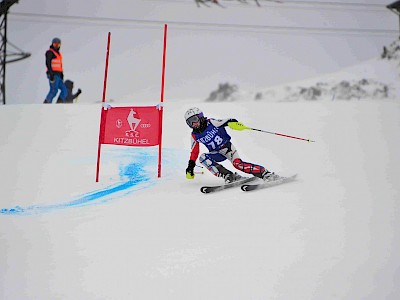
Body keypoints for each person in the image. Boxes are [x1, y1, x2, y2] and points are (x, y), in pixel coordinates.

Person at [184, 107, 278, 183]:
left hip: (227, 148)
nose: (193, 124)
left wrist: (234, 123)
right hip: (217, 153)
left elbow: (228, 121)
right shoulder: (194, 135)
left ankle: (265, 173)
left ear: (200, 117)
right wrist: (190, 166)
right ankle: (229, 175)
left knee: (238, 165)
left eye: (194, 119)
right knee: (202, 158)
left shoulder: (212, 123)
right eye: (189, 122)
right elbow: (194, 152)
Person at [43, 37, 67, 104]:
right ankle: (47, 103)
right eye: (55, 44)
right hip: (53, 74)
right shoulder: (50, 52)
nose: (56, 46)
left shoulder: (58, 54)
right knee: (54, 90)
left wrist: (61, 73)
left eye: (58, 45)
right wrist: (51, 73)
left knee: (64, 90)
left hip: (58, 75)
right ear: (52, 44)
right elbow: (48, 62)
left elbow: (59, 64)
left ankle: (59, 103)